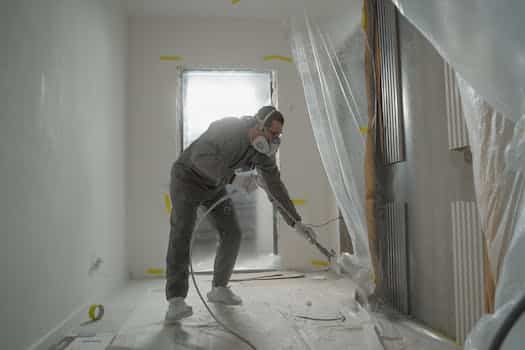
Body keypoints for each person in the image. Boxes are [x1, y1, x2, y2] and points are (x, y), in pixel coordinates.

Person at [165, 105, 317, 323]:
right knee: (182, 232)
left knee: (232, 233)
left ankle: (219, 288)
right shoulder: (228, 128)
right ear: (259, 124)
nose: (275, 140)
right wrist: (234, 179)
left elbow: (275, 186)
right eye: (273, 133)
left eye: (278, 135)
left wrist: (296, 223)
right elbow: (200, 158)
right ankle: (176, 300)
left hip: (214, 185)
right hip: (187, 179)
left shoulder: (262, 153)